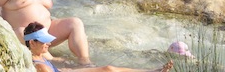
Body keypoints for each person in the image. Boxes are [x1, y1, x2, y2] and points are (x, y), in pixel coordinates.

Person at [24, 21, 173, 72]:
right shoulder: (39, 65)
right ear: (32, 43)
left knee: (109, 69)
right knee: (108, 69)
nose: (48, 44)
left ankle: (153, 71)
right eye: (44, 41)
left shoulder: (40, 55)